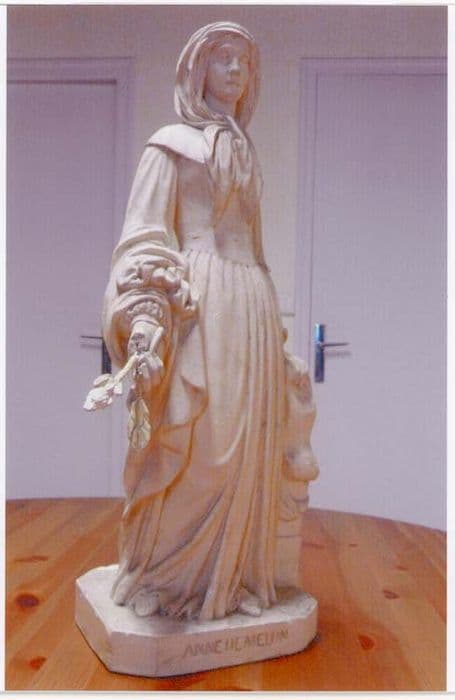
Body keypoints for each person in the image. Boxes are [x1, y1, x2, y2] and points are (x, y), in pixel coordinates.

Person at [101, 21, 318, 622]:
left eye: (244, 62)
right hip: (201, 300)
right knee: (200, 443)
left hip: (250, 301)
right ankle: (162, 578)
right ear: (197, 69)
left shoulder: (245, 149)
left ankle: (232, 579)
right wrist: (145, 310)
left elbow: (255, 245)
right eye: (223, 58)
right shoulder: (170, 145)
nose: (235, 71)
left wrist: (275, 335)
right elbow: (144, 237)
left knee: (247, 444)